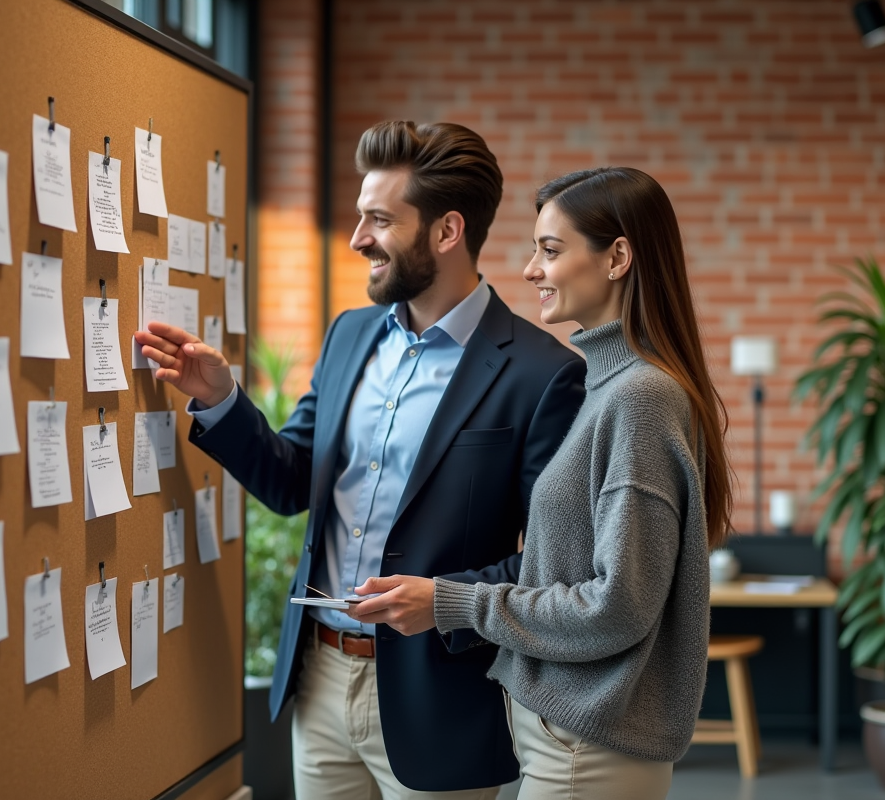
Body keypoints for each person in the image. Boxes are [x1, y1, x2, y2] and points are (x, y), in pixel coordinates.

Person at [135, 121, 585, 798]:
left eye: (379, 219)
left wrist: (445, 602)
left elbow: (556, 561)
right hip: (318, 681)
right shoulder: (349, 336)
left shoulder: (543, 374)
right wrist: (221, 397)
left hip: (442, 700)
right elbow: (292, 482)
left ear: (446, 232)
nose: (357, 239)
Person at [351, 166, 733, 799]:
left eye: (549, 251)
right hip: (566, 733)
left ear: (617, 258)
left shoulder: (640, 397)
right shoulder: (608, 386)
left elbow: (617, 608)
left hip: (589, 745)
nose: (530, 270)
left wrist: (451, 603)